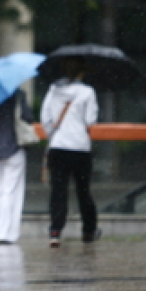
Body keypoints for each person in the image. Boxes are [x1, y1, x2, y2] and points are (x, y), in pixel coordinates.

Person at [40, 57, 100, 248]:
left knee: (58, 190)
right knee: (83, 190)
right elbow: (91, 120)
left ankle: (55, 231)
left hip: (58, 147)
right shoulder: (87, 92)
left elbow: (45, 117)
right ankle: (88, 230)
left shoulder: (53, 90)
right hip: (80, 147)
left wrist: (54, 134)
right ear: (82, 73)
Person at [0, 88, 33, 245]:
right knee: (10, 191)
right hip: (12, 147)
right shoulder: (18, 94)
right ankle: (4, 233)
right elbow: (28, 118)